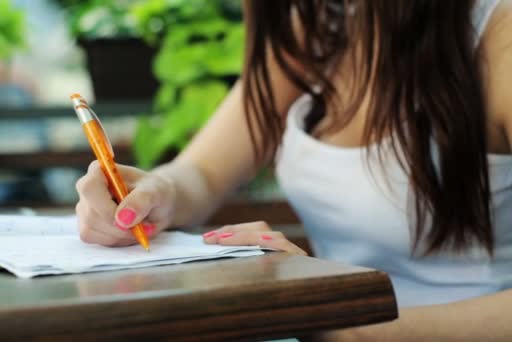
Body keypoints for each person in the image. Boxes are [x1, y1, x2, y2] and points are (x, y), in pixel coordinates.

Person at [75, 0, 512, 339]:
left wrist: (343, 326)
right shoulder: (319, 26)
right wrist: (155, 192)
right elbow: (203, 173)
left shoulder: (499, 38)